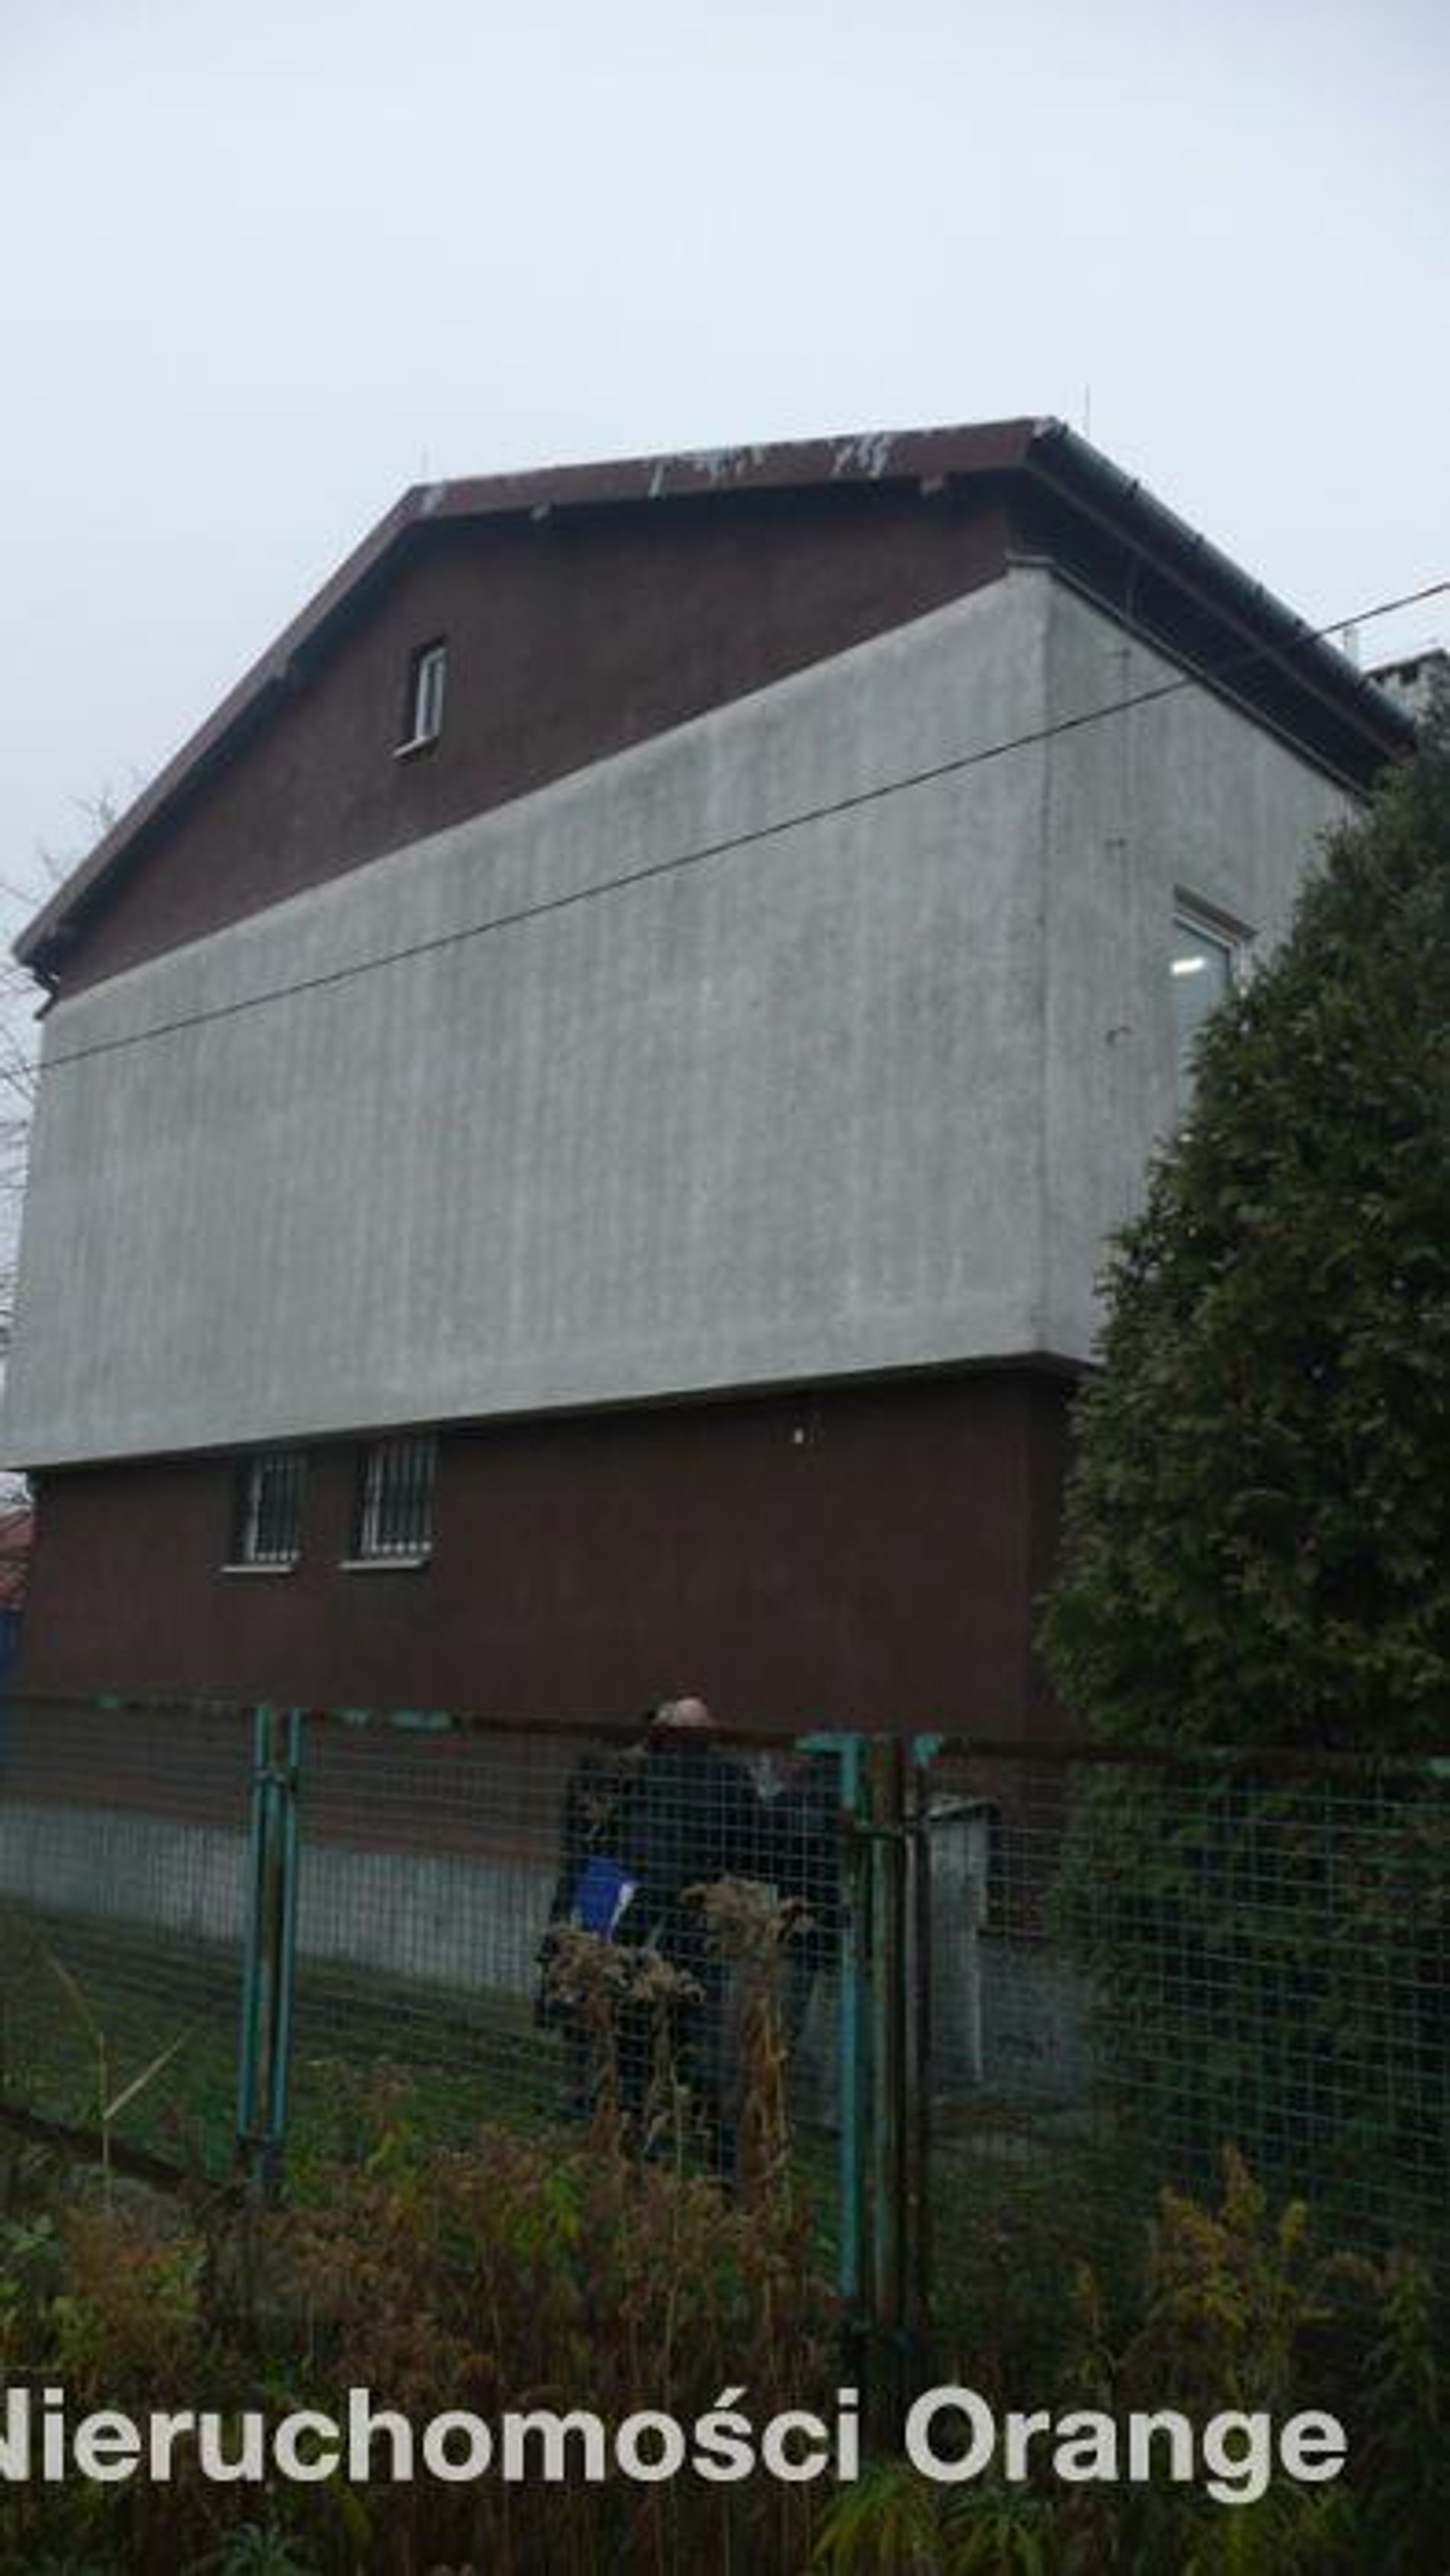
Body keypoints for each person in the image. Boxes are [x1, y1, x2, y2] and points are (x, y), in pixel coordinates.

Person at [600, 1695, 764, 2174]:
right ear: (710, 1732)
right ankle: (715, 2157)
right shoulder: (730, 1778)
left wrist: (596, 1926)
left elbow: (606, 1849)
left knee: (635, 2036)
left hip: (639, 1927)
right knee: (701, 2042)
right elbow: (753, 1849)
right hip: (698, 1930)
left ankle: (634, 2142)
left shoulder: (636, 1775)